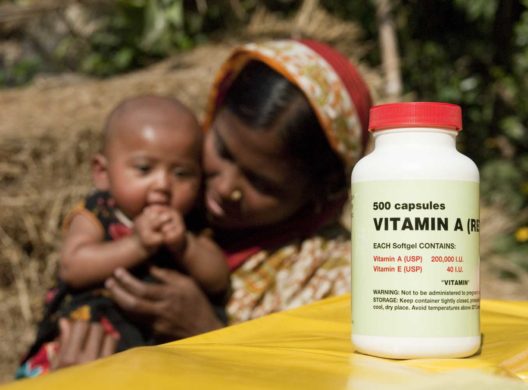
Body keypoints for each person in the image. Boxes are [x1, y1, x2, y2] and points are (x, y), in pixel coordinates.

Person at [46, 38, 372, 367]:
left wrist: (206, 331)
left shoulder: (335, 281)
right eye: (223, 151)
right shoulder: (158, 201)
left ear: (319, 194)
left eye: (261, 183)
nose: (226, 188)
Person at [17, 95, 229, 377]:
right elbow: (73, 266)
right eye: (144, 169)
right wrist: (136, 245)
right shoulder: (98, 212)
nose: (163, 185)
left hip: (154, 358)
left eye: (181, 173)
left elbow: (218, 279)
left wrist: (185, 246)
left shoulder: (190, 223)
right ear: (103, 173)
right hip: (85, 342)